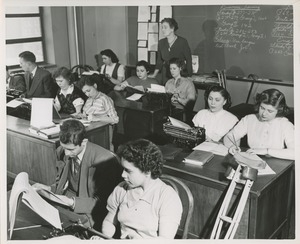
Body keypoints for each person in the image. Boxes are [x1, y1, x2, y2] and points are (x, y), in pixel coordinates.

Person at [32, 119, 122, 227]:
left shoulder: (105, 161)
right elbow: (62, 184)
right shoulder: (62, 151)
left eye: (71, 149)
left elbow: (103, 203)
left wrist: (72, 202)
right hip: (67, 203)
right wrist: (48, 189)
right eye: (64, 147)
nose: (66, 153)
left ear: (84, 142)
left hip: (91, 212)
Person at [102, 139, 182, 239]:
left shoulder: (167, 197)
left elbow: (165, 239)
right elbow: (109, 221)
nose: (122, 174)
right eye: (123, 169)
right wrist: (104, 237)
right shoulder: (121, 188)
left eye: (128, 171)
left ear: (147, 171)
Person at [224, 89, 294, 160]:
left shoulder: (285, 124)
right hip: (252, 159)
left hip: (276, 163)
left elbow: (295, 153)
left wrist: (267, 151)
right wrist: (231, 147)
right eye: (262, 108)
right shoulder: (250, 119)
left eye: (270, 111)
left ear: (279, 110)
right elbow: (229, 136)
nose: (264, 114)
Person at [149, 18, 192, 85]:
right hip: (165, 75)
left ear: (172, 29)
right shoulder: (161, 42)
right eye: (162, 27)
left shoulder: (182, 42)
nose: (163, 30)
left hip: (179, 74)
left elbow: (188, 59)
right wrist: (154, 74)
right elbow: (159, 61)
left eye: (165, 27)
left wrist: (189, 76)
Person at [165, 58, 196, 124]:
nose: (172, 71)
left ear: (180, 68)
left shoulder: (188, 83)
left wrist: (178, 99)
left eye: (174, 69)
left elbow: (190, 104)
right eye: (170, 69)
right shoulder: (169, 82)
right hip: (169, 111)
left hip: (182, 113)